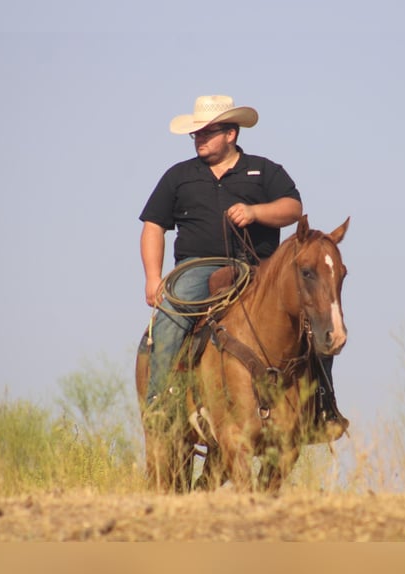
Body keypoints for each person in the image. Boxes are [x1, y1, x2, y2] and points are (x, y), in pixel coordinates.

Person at [138, 94, 347, 439]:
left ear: (231, 133)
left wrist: (255, 213)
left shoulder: (264, 171)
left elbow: (293, 208)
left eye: (208, 132)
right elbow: (153, 227)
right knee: (171, 316)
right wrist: (152, 278)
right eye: (197, 134)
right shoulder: (178, 176)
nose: (200, 139)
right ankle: (161, 403)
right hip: (195, 267)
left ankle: (322, 407)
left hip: (259, 268)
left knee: (315, 317)